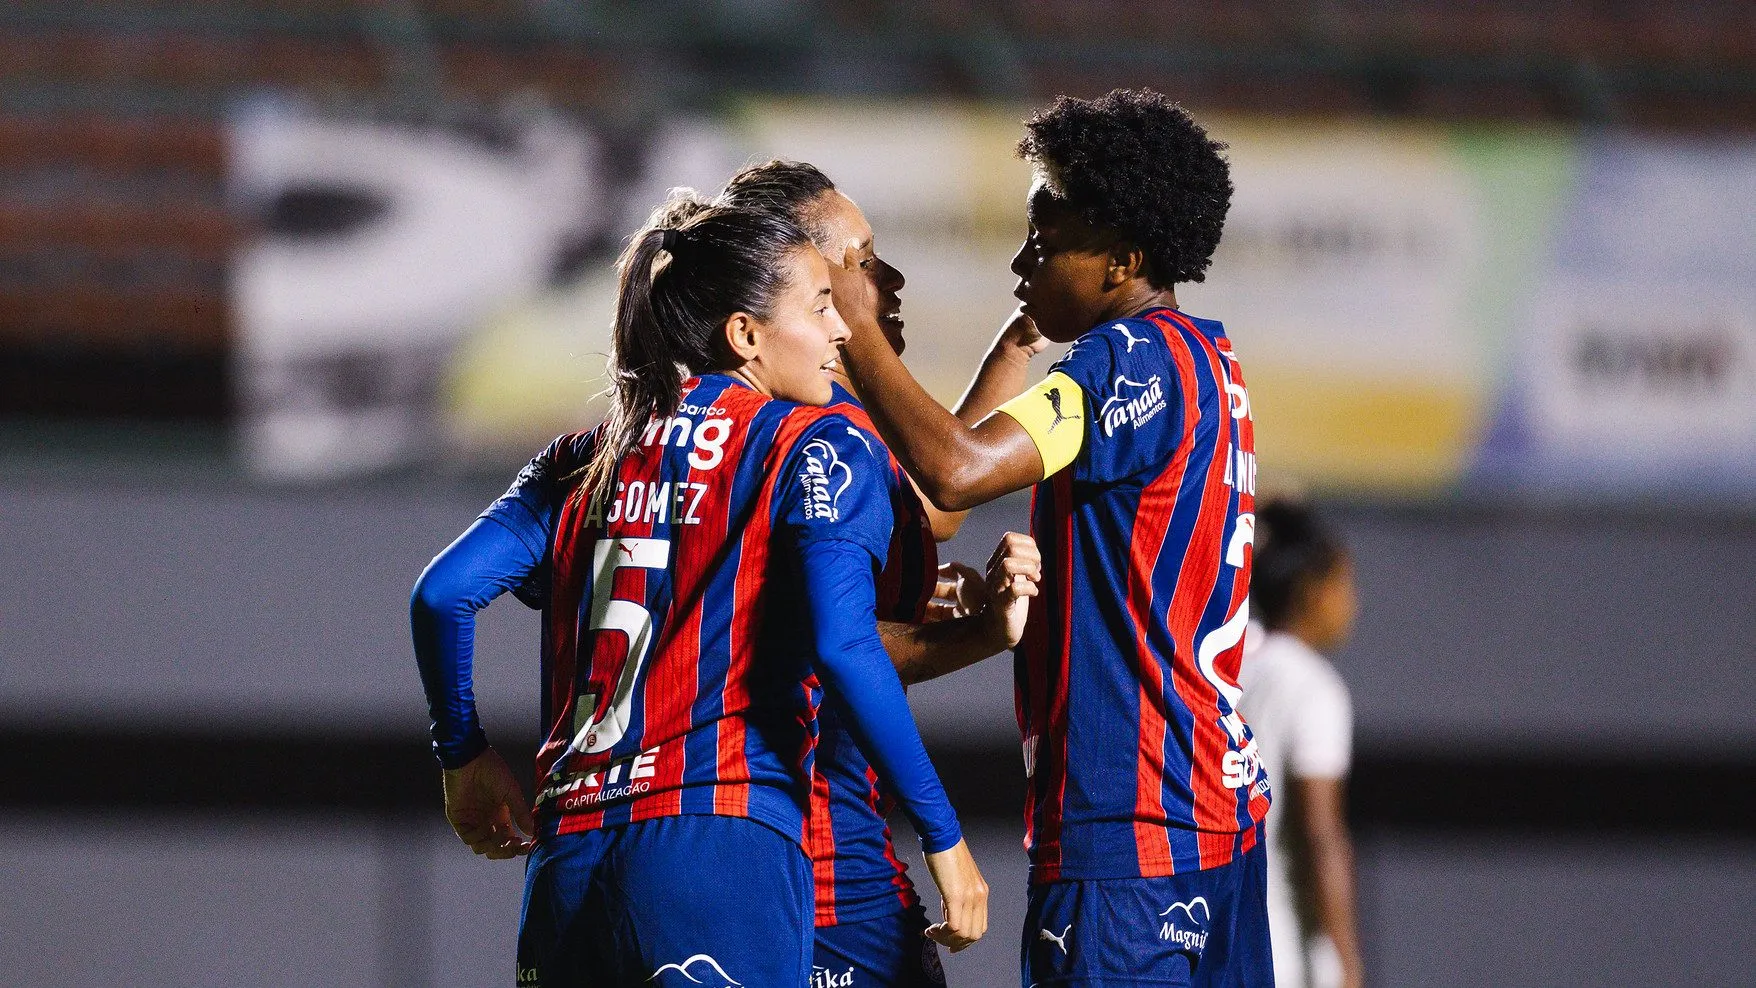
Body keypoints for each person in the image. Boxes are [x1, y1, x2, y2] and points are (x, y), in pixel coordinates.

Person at [410, 198, 990, 987]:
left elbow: (442, 595)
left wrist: (463, 756)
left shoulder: (583, 457)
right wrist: (945, 838)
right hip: (717, 848)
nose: (843, 331)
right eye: (821, 308)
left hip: (568, 857)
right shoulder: (813, 440)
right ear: (745, 335)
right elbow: (845, 643)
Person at [826, 89, 1274, 986]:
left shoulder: (1127, 361)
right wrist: (1014, 349)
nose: (1024, 256)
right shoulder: (1207, 362)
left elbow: (954, 471)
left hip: (1129, 826)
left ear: (1122, 260)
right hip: (1218, 815)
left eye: (1048, 231)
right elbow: (941, 500)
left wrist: (855, 328)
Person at [716, 160, 1047, 987]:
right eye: (864, 260)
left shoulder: (729, 421)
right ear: (802, 272)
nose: (888, 278)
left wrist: (1016, 344)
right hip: (811, 839)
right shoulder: (807, 431)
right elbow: (831, 645)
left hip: (704, 835)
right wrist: (981, 635)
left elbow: (928, 505)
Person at [1237, 501, 1363, 988]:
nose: (1350, 602)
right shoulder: (1314, 686)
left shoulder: (1230, 665)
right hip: (1281, 949)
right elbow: (1320, 833)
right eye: (1343, 583)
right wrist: (1346, 958)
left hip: (1208, 933)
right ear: (1310, 590)